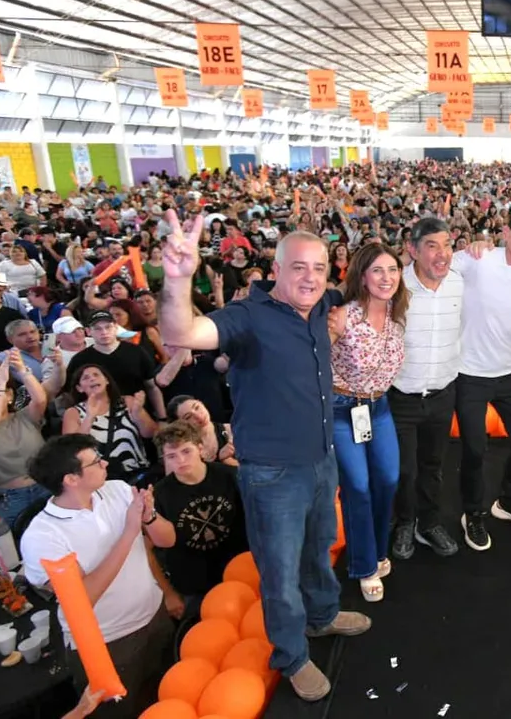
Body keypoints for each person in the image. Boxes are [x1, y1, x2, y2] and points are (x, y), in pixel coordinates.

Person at [157, 210, 369, 702]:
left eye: (318, 268)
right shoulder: (248, 318)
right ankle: (292, 655)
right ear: (276, 269)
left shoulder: (319, 308)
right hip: (272, 474)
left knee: (318, 548)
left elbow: (361, 286)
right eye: (298, 267)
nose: (310, 277)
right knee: (278, 569)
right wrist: (177, 280)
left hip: (319, 459)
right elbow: (184, 332)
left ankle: (321, 617)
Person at [20, 434, 173, 719]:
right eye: (95, 461)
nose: (105, 462)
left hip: (155, 616)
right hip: (109, 643)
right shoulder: (43, 536)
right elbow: (82, 598)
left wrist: (149, 516)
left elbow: (167, 541)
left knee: (164, 700)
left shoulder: (116, 490)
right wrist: (129, 531)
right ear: (71, 479)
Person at [452, 209, 511, 551]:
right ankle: (472, 513)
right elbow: (435, 267)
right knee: (475, 449)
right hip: (468, 372)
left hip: (506, 369)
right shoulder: (478, 258)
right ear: (506, 231)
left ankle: (507, 500)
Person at [328, 242, 406, 599]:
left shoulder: (396, 311)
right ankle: (363, 565)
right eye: (377, 270)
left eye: (392, 269)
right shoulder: (342, 315)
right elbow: (311, 360)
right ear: (361, 275)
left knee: (388, 479)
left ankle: (377, 549)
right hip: (343, 410)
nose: (386, 277)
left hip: (379, 407)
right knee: (357, 486)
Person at [388, 218, 463, 558]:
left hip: (442, 394)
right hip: (401, 396)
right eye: (432, 245)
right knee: (404, 469)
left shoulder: (460, 284)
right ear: (412, 250)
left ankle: (428, 523)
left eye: (447, 244)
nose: (442, 253)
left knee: (433, 465)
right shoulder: (394, 288)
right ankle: (404, 522)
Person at [147, 421, 248, 616]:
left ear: (200, 448)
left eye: (186, 451)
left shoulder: (230, 476)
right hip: (194, 584)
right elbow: (148, 547)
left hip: (239, 569)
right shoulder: (159, 495)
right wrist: (168, 593)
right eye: (172, 456)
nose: (180, 461)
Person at [0, 354, 49, 525]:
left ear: (10, 395)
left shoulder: (24, 416)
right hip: (7, 500)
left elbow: (40, 399)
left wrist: (21, 370)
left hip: (45, 488)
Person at [61, 364, 156, 483]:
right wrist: (89, 417)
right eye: (85, 378)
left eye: (96, 375)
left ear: (106, 380)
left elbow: (151, 433)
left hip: (137, 475)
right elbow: (71, 450)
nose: (92, 378)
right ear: (79, 388)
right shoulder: (73, 413)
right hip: (101, 480)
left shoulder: (128, 402)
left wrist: (137, 413)